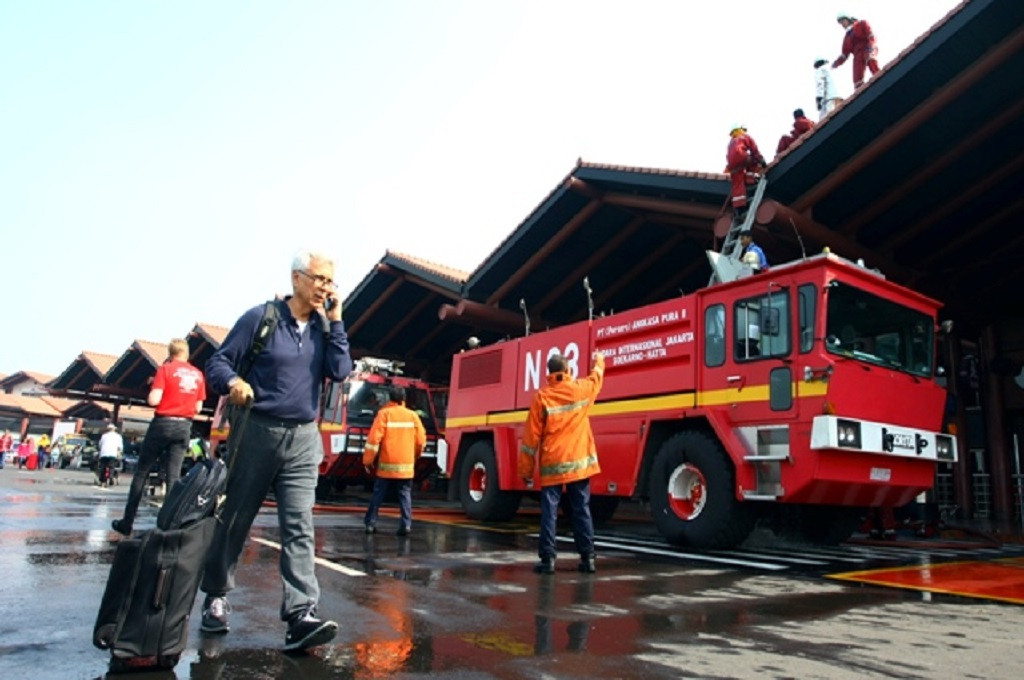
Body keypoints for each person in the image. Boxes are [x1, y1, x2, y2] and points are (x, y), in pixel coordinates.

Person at [199, 249, 352, 653]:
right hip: (257, 431)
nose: (326, 288)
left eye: (331, 281)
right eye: (320, 279)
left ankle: (301, 614)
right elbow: (217, 363)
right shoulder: (261, 318)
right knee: (234, 518)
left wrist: (337, 323)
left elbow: (340, 371)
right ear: (297, 278)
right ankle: (215, 596)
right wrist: (233, 380)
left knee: (300, 525)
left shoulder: (324, 329)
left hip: (303, 438)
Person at [519, 350, 605, 575]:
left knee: (549, 510)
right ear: (568, 371)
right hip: (578, 463)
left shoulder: (542, 397)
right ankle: (588, 559)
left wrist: (526, 470)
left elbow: (530, 438)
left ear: (549, 373)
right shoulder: (580, 390)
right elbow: (596, 379)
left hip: (552, 464)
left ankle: (548, 561)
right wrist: (599, 360)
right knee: (581, 509)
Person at [112, 338, 207, 536]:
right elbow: (198, 407)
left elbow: (153, 399)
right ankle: (170, 525)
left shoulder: (165, 370)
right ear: (187, 353)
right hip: (184, 427)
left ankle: (127, 522)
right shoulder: (198, 375)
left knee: (141, 472)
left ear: (170, 353)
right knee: (174, 476)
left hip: (163, 423)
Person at [362, 385, 427, 536]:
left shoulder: (384, 414)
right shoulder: (412, 416)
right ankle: (406, 525)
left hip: (386, 466)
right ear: (404, 399)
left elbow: (373, 440)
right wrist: (415, 456)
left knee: (378, 495)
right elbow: (421, 441)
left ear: (390, 398)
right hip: (406, 467)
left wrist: (368, 460)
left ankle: (370, 524)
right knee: (405, 495)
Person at [724, 124, 766, 220]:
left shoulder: (731, 143)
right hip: (742, 157)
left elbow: (729, 156)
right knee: (754, 161)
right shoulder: (744, 137)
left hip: (732, 166)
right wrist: (761, 160)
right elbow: (754, 149)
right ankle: (751, 179)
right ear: (741, 130)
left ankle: (739, 208)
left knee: (738, 183)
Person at [832, 12, 879, 88]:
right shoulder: (847, 37)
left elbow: (871, 36)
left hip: (867, 47)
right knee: (857, 77)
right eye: (841, 23)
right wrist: (836, 63)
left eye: (843, 21)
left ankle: (879, 76)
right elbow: (845, 54)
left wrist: (870, 46)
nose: (843, 24)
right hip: (857, 54)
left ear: (848, 19)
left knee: (870, 59)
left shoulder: (861, 24)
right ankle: (860, 91)